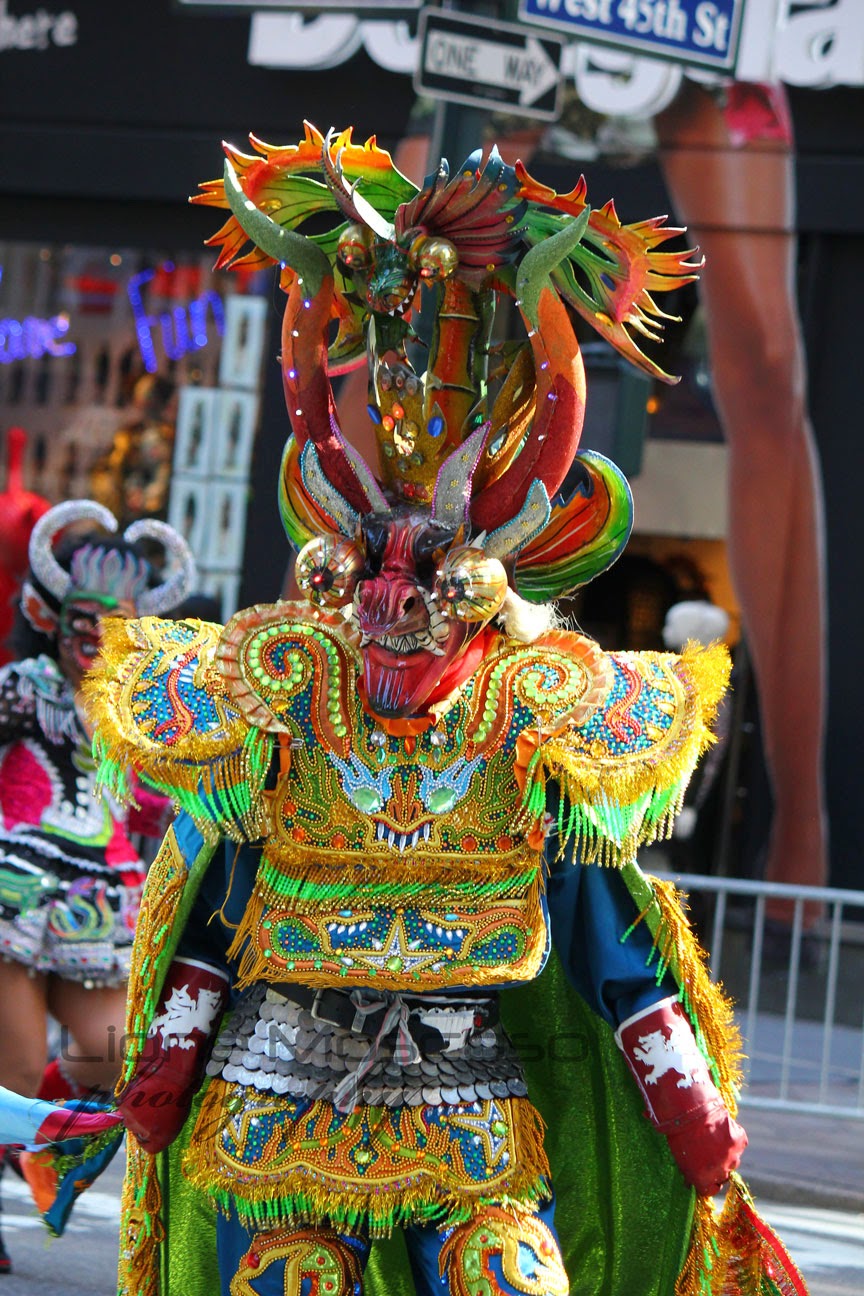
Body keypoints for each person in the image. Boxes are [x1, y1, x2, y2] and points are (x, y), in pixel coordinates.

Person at [9, 125, 808, 1296]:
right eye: (371, 580)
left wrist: (693, 1120)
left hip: (471, 1117)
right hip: (276, 1110)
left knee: (509, 1281)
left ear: (491, 593)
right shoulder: (285, 705)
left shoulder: (532, 722)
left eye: (435, 585)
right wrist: (163, 1075)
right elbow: (216, 928)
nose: (397, 613)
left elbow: (613, 960)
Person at [0, 499, 195, 1273]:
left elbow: (158, 807)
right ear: (51, 617)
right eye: (80, 615)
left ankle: (45, 1137)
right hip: (11, 896)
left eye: (109, 619)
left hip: (99, 911)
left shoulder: (137, 713)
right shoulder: (19, 687)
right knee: (9, 1071)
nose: (91, 633)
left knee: (118, 1061)